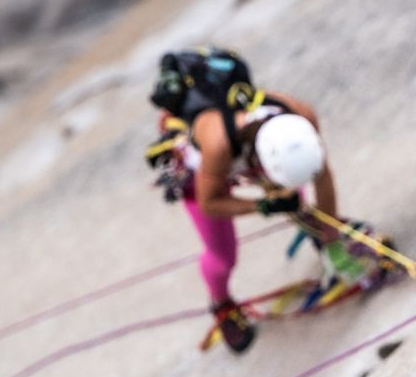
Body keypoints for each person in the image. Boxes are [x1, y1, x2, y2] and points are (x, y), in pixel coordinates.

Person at [145, 48, 380, 353]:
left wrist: (332, 240)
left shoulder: (300, 117)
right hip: (202, 168)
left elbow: (321, 177)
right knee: (222, 256)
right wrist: (263, 206)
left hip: (248, 151)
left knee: (294, 201)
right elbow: (210, 203)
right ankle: (221, 304)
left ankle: (320, 240)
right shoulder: (216, 143)